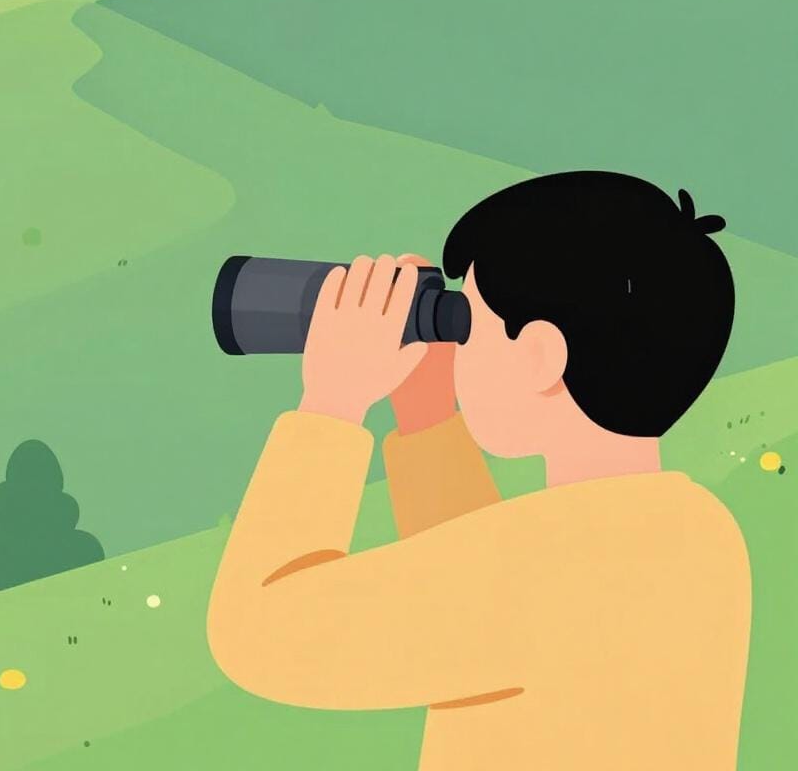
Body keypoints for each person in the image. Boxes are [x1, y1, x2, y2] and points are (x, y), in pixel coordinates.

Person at [207, 171, 751, 770]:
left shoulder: (560, 561)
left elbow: (263, 635)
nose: (460, 347)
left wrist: (332, 402)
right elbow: (475, 599)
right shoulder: (694, 531)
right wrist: (427, 413)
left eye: (469, 324)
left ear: (541, 356)